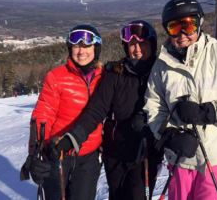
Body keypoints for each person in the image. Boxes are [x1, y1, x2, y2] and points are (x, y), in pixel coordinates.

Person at [143, 0, 217, 200]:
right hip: (180, 157)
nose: (181, 34)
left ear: (199, 24)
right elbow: (153, 106)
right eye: (174, 27)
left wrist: (210, 112)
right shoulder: (162, 64)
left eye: (188, 26)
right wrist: (168, 135)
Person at [51, 20, 164, 200]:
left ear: (152, 45)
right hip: (116, 153)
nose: (137, 49)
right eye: (132, 44)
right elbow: (97, 110)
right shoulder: (116, 75)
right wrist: (74, 137)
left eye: (143, 43)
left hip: (146, 153)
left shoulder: (161, 73)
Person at [27, 24, 104, 200]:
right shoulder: (56, 77)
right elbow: (43, 115)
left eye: (86, 46)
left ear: (96, 48)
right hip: (58, 153)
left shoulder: (104, 77)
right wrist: (36, 153)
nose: (81, 51)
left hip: (88, 156)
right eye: (76, 46)